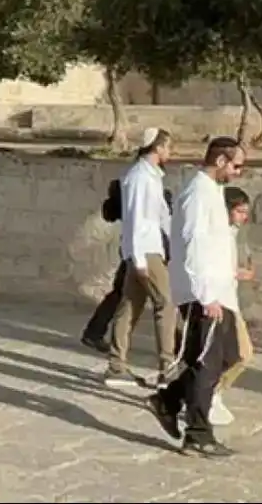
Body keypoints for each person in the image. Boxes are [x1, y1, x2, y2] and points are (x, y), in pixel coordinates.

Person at [145, 137, 246, 458]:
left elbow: (214, 244)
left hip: (220, 292)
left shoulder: (212, 193)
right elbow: (192, 245)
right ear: (220, 161)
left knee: (227, 357)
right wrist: (205, 295)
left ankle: (169, 400)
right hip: (206, 295)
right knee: (206, 364)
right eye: (237, 165)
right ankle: (198, 434)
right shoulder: (198, 194)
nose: (239, 172)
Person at [105, 128, 176, 388]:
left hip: (147, 248)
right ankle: (167, 367)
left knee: (131, 305)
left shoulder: (151, 176)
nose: (170, 152)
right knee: (165, 304)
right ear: (158, 148)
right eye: (168, 147)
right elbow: (135, 219)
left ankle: (116, 365)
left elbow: (160, 216)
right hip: (144, 249)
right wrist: (139, 259)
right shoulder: (139, 177)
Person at [209, 186, 255, 428]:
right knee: (241, 355)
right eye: (239, 211)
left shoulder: (231, 234)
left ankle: (204, 394)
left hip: (229, 301)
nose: (243, 217)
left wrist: (237, 273)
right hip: (220, 303)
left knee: (234, 356)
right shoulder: (217, 235)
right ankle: (210, 394)